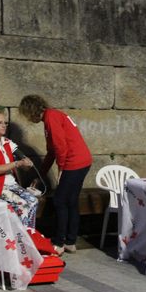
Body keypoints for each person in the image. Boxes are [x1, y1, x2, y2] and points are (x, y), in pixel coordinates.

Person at [18, 95, 92, 254]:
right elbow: (52, 152)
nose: (28, 118)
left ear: (31, 111)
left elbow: (60, 147)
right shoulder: (52, 116)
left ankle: (59, 243)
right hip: (82, 160)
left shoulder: (51, 117)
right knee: (71, 201)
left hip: (74, 162)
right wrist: (40, 175)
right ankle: (70, 242)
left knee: (59, 200)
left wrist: (61, 169)